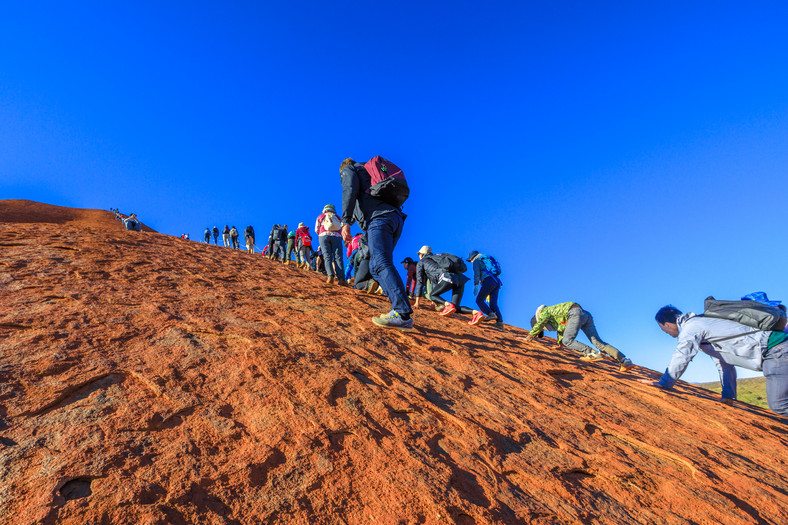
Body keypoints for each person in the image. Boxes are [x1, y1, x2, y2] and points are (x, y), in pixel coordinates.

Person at [643, 305, 788, 415]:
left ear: (666, 324)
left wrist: (664, 383)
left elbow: (682, 355)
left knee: (779, 405)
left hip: (776, 350)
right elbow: (724, 363)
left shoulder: (691, 328)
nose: (666, 333)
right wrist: (728, 395)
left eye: (663, 329)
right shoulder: (704, 323)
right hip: (778, 348)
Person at [339, 158, 413, 329]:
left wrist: (346, 222)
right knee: (375, 266)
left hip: (378, 219)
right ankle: (399, 308)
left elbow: (349, 189)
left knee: (380, 263)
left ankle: (402, 313)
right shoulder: (369, 173)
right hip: (394, 218)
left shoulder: (350, 170)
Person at [527, 302, 634, 371]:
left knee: (567, 340)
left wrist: (529, 337)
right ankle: (624, 361)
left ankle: (591, 353)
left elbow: (540, 324)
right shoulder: (554, 316)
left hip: (574, 313)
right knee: (598, 343)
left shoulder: (544, 312)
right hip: (585, 314)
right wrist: (559, 344)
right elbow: (561, 329)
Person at [413, 246, 469, 316]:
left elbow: (420, 282)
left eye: (419, 254)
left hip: (447, 278)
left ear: (421, 255)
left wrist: (417, 302)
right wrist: (434, 303)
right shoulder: (438, 258)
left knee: (432, 295)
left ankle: (448, 305)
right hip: (460, 278)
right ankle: (476, 313)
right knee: (456, 308)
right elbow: (435, 282)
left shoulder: (421, 262)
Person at [466, 250, 504, 329]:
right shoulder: (485, 258)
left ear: (472, 257)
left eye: (470, 260)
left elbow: (477, 273)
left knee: (479, 300)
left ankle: (490, 313)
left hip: (488, 280)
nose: (471, 262)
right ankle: (499, 322)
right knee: (493, 303)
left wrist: (476, 285)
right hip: (496, 281)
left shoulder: (476, 260)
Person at [316, 204, 346, 285]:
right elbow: (343, 227)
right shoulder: (338, 217)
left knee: (327, 256)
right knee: (338, 257)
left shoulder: (320, 216)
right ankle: (341, 279)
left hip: (323, 236)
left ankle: (330, 276)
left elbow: (316, 229)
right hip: (336, 237)